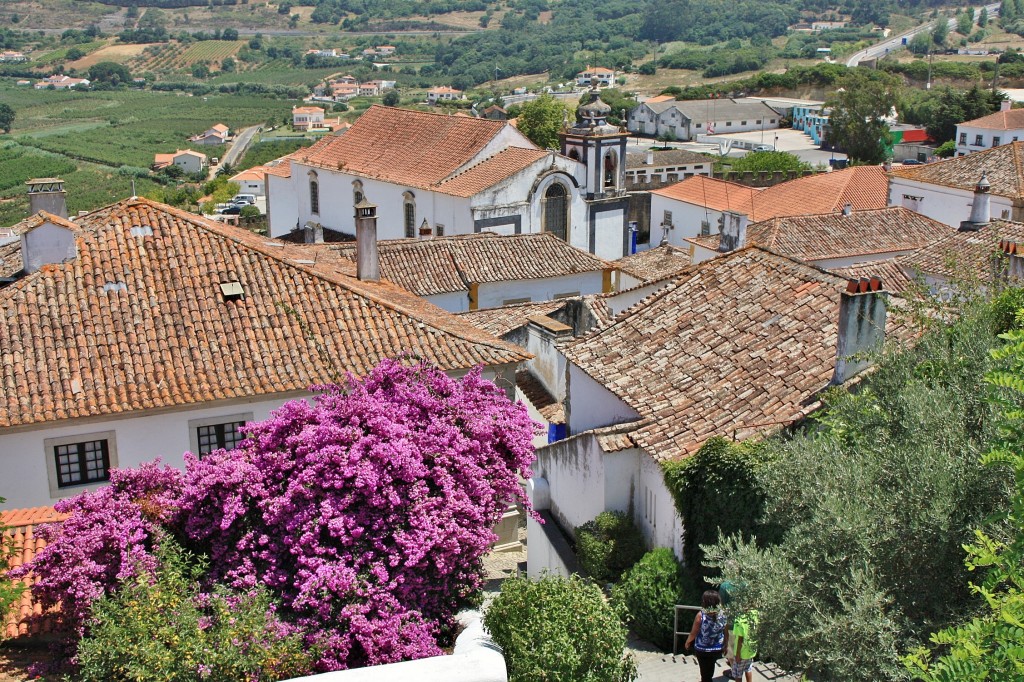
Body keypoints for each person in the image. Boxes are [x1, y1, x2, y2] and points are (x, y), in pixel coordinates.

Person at [685, 590, 728, 682]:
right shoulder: (723, 614)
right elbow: (725, 630)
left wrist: (688, 642)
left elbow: (694, 633)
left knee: (705, 674)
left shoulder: (701, 615)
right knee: (710, 668)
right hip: (717, 648)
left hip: (702, 649)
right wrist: (726, 644)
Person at [728, 609, 759, 682]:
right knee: (748, 669)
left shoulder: (739, 618)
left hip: (741, 652)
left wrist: (738, 654)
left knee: (738, 674)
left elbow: (740, 638)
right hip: (751, 650)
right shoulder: (755, 613)